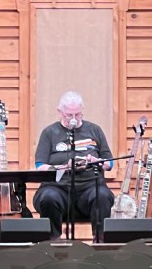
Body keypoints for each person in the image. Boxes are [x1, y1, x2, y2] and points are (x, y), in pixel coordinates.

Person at [33, 90, 115, 239]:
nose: (74, 119)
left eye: (77, 115)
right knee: (49, 197)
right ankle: (53, 242)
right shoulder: (49, 133)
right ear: (60, 112)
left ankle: (100, 242)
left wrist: (96, 162)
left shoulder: (95, 130)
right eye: (69, 115)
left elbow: (109, 163)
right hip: (58, 188)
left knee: (102, 196)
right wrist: (64, 167)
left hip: (89, 187)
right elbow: (40, 166)